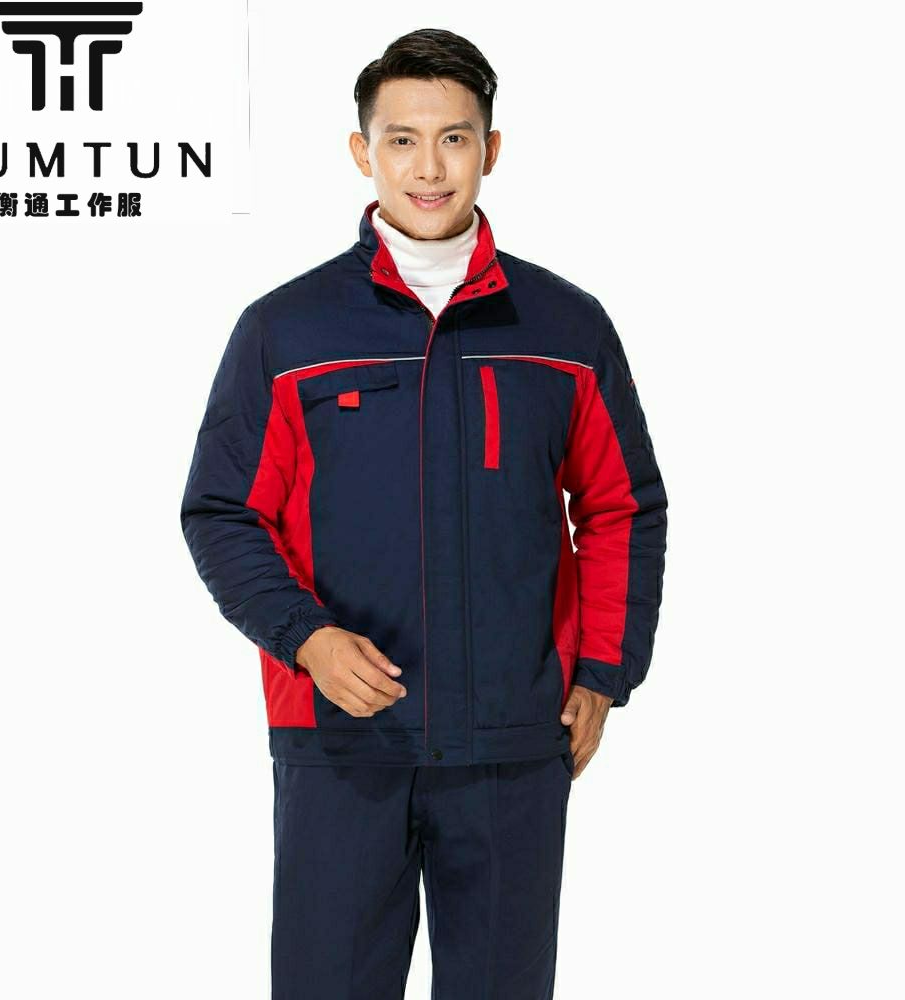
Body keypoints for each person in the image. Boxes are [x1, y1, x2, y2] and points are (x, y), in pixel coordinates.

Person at [180, 27, 668, 1000]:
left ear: (492, 148)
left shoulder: (564, 327)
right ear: (362, 152)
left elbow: (622, 506)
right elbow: (222, 510)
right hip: (340, 741)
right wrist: (306, 639)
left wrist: (603, 674)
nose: (429, 167)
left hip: (511, 746)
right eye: (401, 140)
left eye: (454, 138)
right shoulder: (287, 329)